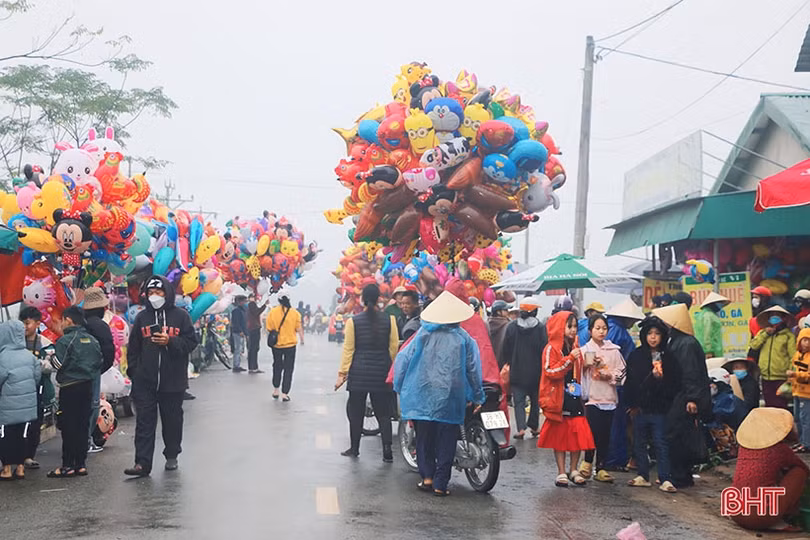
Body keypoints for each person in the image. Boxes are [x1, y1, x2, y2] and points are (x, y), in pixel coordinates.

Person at [393, 291, 485, 497]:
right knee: (447, 438)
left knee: (424, 436)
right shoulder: (464, 339)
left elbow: (402, 362)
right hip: (452, 396)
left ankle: (427, 477)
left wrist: (399, 386)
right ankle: (440, 484)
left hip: (422, 392)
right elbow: (473, 369)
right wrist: (478, 395)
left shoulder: (422, 335)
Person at [125, 276, 198, 477]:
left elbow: (191, 342)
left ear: (167, 293)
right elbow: (133, 348)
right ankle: (142, 463)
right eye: (150, 293)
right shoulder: (142, 318)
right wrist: (135, 372)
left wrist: (170, 341)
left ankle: (172, 454)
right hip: (145, 382)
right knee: (144, 424)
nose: (154, 296)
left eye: (158, 293)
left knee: (172, 421)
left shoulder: (180, 317)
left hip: (172, 382)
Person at [335, 284, 399, 461]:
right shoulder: (390, 320)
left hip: (359, 374)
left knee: (356, 412)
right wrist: (388, 365)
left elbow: (349, 350)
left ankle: (354, 448)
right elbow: (393, 347)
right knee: (383, 414)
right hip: (381, 373)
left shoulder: (353, 322)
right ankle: (387, 452)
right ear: (379, 298)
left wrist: (342, 374)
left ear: (362, 299)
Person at [652, 303, 711, 489]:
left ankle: (679, 475)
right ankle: (680, 474)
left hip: (684, 396)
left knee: (677, 435)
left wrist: (692, 398)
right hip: (677, 395)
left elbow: (690, 373)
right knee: (678, 434)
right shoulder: (676, 340)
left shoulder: (686, 343)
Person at [537, 311, 595, 487]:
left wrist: (588, 363)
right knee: (560, 436)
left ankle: (574, 469)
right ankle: (561, 471)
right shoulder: (550, 348)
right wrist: (570, 359)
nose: (573, 330)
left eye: (575, 326)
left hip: (574, 394)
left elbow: (578, 371)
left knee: (577, 432)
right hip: (558, 397)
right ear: (559, 327)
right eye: (569, 326)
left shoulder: (575, 345)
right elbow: (550, 372)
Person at [731, 407, 808, 532]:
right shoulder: (779, 450)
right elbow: (804, 468)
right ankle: (781, 519)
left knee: (771, 473)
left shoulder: (744, 448)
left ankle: (774, 514)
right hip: (760, 518)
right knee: (799, 472)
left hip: (735, 512)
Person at [624, 316, 679, 493]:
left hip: (660, 409)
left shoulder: (669, 357)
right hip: (640, 407)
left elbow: (676, 383)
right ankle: (643, 475)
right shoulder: (636, 355)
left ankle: (665, 478)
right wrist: (632, 404)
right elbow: (630, 381)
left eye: (657, 334)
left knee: (660, 442)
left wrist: (662, 380)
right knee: (639, 442)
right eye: (649, 333)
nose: (653, 337)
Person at [50, 307, 102, 478]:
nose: (62, 324)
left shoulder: (66, 340)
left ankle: (67, 465)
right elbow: (99, 361)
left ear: (68, 320)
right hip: (87, 386)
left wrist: (50, 358)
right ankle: (81, 464)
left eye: (62, 320)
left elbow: (58, 363)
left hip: (70, 387)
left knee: (68, 426)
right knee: (82, 425)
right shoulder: (92, 340)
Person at [579, 314, 624, 483]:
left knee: (605, 434)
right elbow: (579, 373)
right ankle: (587, 462)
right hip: (592, 397)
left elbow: (622, 372)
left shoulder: (614, 350)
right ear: (590, 330)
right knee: (591, 432)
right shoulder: (585, 351)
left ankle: (602, 467)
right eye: (597, 328)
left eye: (604, 328)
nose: (601, 331)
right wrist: (586, 365)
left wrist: (610, 376)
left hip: (609, 397)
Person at [603, 299, 643, 471]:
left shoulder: (608, 328)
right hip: (617, 383)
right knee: (616, 423)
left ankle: (608, 459)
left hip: (609, 382)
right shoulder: (619, 332)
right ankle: (614, 460)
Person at [501, 296, 547, 439]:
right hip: (536, 372)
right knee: (535, 401)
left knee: (519, 402)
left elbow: (505, 349)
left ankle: (521, 428)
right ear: (533, 312)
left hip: (517, 371)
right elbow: (544, 349)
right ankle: (534, 427)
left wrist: (508, 362)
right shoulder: (540, 328)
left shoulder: (512, 327)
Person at [0, 320, 41, 480]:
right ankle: (21, 468)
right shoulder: (29, 356)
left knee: (6, 436)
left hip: (7, 407)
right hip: (28, 406)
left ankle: (7, 469)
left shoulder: (3, 357)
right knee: (22, 436)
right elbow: (36, 378)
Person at [18, 306, 54, 470]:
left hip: (37, 391)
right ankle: (16, 456)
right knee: (17, 424)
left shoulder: (45, 344)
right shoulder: (15, 343)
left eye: (28, 323)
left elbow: (51, 367)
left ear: (38, 323)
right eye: (22, 323)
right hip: (17, 391)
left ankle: (28, 456)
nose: (25, 327)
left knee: (34, 423)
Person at [81, 286, 115, 454]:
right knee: (91, 406)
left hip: (76, 374)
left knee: (80, 408)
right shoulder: (100, 326)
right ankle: (86, 441)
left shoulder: (80, 324)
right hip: (92, 372)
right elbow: (109, 350)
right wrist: (100, 369)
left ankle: (81, 441)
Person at [749, 306, 796, 409]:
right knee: (768, 404)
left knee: (780, 405)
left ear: (783, 318)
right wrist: (766, 334)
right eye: (772, 316)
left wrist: (791, 373)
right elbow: (754, 345)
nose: (774, 318)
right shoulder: (762, 333)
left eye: (777, 316)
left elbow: (793, 356)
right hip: (765, 375)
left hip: (781, 376)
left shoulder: (788, 336)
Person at [266, 295, 304, 401]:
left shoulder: (273, 312)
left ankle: (276, 389)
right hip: (290, 345)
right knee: (288, 368)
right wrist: (301, 339)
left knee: (277, 366)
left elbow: (269, 327)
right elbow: (298, 328)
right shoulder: (295, 313)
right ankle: (285, 393)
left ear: (279, 300)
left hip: (277, 345)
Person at [787, 327, 810, 453]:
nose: (806, 343)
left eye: (809, 340)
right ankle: (801, 441)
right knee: (797, 418)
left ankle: (807, 443)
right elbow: (794, 368)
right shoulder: (797, 355)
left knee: (806, 419)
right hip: (796, 391)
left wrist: (795, 375)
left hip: (807, 394)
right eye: (804, 340)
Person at [693, 292, 729, 359]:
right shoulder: (708, 316)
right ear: (712, 304)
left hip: (710, 350)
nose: (720, 305)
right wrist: (708, 351)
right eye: (719, 303)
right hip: (712, 352)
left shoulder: (705, 314)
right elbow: (707, 334)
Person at [487, 300, 511, 369]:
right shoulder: (508, 325)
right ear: (498, 312)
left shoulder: (486, 324)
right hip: (503, 363)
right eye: (505, 310)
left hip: (489, 363)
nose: (508, 312)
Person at [247, 293, 267, 373]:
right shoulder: (252, 304)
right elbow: (257, 312)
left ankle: (252, 367)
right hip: (254, 328)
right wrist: (264, 306)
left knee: (253, 348)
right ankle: (253, 367)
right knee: (254, 348)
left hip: (252, 328)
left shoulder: (250, 305)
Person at [230, 295, 248, 373]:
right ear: (240, 301)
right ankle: (236, 365)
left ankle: (237, 364)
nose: (245, 303)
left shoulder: (242, 310)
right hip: (237, 332)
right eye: (244, 301)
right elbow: (236, 322)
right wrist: (240, 331)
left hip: (240, 332)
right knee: (237, 349)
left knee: (239, 349)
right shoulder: (236, 311)